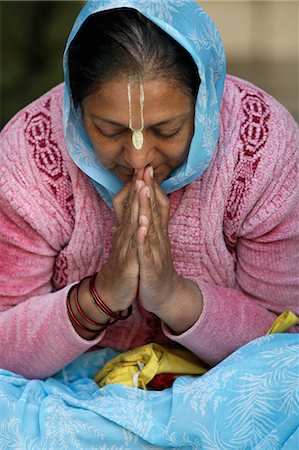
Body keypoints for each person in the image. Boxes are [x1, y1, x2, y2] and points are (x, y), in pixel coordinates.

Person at [0, 0, 298, 447]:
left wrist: (175, 296)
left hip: (221, 392)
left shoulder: (261, 146)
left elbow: (283, 339)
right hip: (63, 395)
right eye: (109, 129)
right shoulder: (30, 154)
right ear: (74, 107)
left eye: (168, 128)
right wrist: (99, 296)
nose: (139, 156)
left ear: (206, 101)